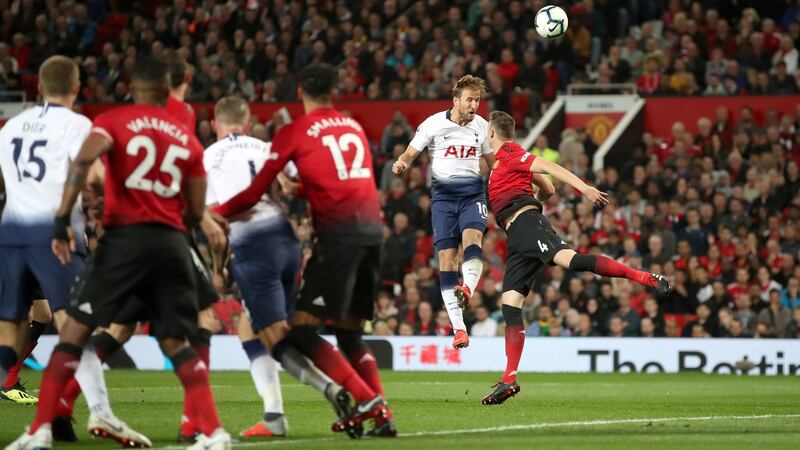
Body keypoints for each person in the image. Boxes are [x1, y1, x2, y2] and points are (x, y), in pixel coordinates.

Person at [6, 56, 231, 450]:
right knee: (177, 340)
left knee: (73, 330)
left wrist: (63, 219)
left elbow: (82, 163)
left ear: (134, 86)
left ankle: (42, 426)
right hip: (171, 243)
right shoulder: (185, 137)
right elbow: (195, 212)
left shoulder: (112, 122)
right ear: (168, 90)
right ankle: (214, 432)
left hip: (122, 242)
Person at [211, 63, 396, 438]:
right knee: (349, 334)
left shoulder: (294, 132)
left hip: (338, 238)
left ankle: (365, 401)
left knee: (301, 330)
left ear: (299, 92)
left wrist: (208, 213)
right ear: (335, 92)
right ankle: (382, 415)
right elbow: (348, 180)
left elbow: (252, 193)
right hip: (373, 232)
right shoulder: (354, 127)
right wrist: (305, 190)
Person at [479, 111, 671, 406]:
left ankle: (645, 277)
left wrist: (585, 189)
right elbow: (549, 189)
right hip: (518, 237)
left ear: (492, 133)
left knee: (572, 261)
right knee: (510, 304)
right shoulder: (506, 162)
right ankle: (508, 380)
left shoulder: (511, 153)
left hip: (528, 226)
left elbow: (550, 168)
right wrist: (535, 198)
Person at [204, 96, 352, 438]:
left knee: (275, 337)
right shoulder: (265, 146)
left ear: (215, 124)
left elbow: (216, 226)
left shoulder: (210, 156)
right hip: (288, 243)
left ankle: (331, 389)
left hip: (255, 250)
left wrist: (218, 267)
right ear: (247, 123)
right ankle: (274, 413)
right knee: (249, 327)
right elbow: (296, 185)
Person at [0, 56, 90, 404]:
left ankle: (9, 380)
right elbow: (83, 173)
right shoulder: (75, 124)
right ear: (76, 87)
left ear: (38, 87)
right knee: (73, 317)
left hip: (12, 230)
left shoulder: (11, 127)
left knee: (34, 313)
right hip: (48, 233)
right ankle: (78, 404)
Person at [392, 75, 495, 349]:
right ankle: (459, 330)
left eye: (477, 100)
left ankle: (468, 289)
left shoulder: (482, 127)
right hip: (443, 202)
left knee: (473, 239)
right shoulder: (433, 124)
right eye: (469, 99)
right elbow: (409, 154)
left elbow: (494, 164)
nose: (474, 105)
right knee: (447, 261)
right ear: (456, 101)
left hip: (472, 197)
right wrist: (401, 164)